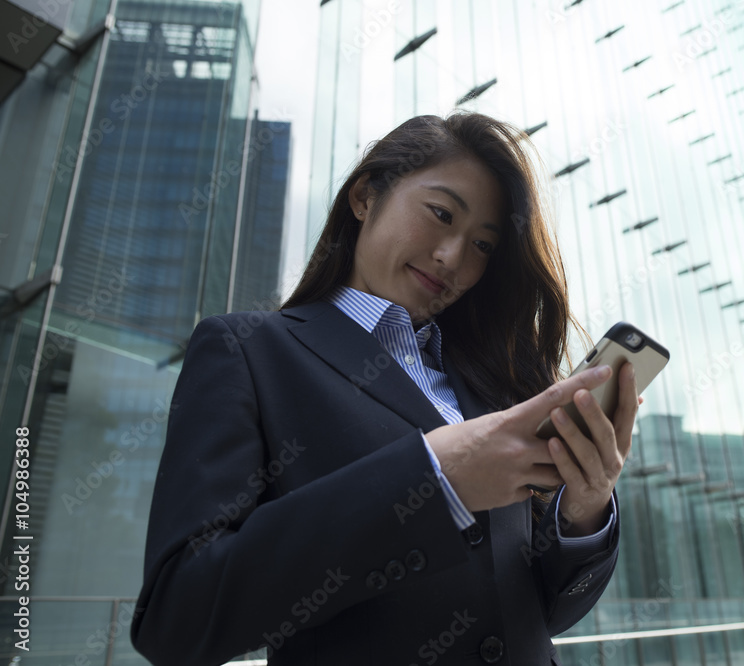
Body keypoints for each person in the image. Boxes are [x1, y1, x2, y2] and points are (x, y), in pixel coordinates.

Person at [130, 110, 641, 665]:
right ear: (365, 197)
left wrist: (584, 509)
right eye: (442, 214)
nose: (454, 258)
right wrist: (433, 479)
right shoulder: (248, 352)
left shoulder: (489, 387)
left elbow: (543, 612)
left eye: (484, 247)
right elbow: (177, 616)